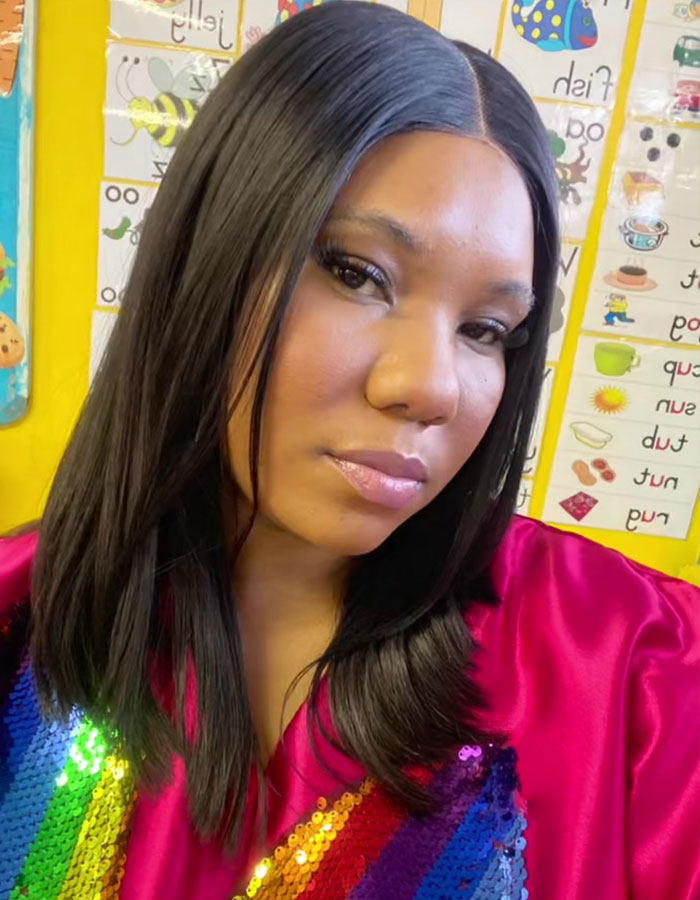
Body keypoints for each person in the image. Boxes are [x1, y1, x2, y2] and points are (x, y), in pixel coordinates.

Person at [0, 3, 697, 898]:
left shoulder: (635, 672)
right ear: (206, 260)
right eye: (358, 274)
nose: (432, 386)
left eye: (487, 330)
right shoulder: (21, 621)